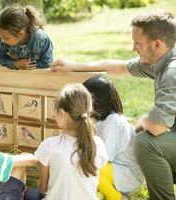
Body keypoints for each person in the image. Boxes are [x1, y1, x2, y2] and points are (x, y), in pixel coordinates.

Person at [51, 11, 176, 200]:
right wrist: (73, 65)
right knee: (144, 136)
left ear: (157, 44)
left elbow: (158, 127)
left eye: (138, 43)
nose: (134, 48)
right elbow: (119, 66)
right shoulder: (159, 60)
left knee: (145, 142)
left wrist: (143, 119)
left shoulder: (171, 71)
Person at [33, 83, 108, 199]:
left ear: (62, 113)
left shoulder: (49, 146)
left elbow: (43, 188)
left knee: (30, 194)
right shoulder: (98, 144)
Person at [83, 76, 144, 200]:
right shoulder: (101, 120)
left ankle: (118, 198)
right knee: (86, 166)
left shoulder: (114, 123)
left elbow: (105, 158)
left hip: (128, 173)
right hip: (116, 168)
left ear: (95, 100)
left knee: (89, 169)